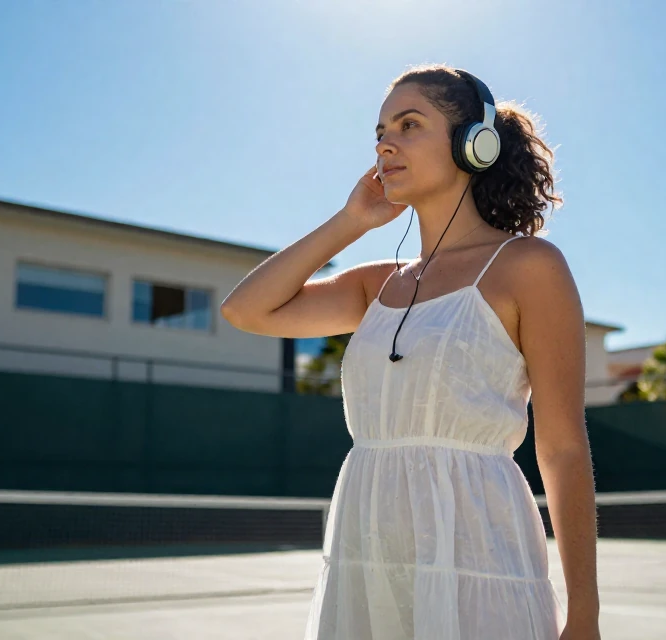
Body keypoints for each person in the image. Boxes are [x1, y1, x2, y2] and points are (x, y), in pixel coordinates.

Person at [220, 64, 599, 640]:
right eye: (379, 132)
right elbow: (245, 310)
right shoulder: (376, 283)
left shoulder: (529, 268)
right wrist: (352, 221)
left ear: (475, 144)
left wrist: (585, 617)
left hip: (479, 562)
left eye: (409, 123)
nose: (385, 144)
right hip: (367, 560)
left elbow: (564, 449)